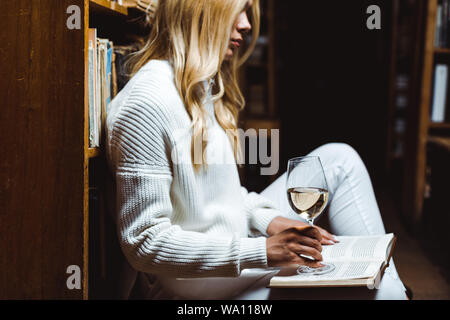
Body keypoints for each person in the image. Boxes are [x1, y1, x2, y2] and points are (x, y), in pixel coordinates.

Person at [105, 0, 407, 300]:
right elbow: (145, 242)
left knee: (340, 160)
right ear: (199, 9)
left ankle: (381, 278)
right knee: (385, 295)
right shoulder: (147, 103)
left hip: (231, 255)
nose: (247, 25)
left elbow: (219, 197)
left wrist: (267, 220)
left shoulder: (195, 85)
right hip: (197, 288)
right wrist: (263, 251)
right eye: (238, 9)